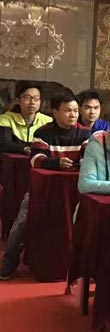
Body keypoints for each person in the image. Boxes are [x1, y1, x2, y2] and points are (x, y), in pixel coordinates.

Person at [1, 92, 91, 279]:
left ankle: (84, 268)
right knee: (22, 221)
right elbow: (35, 159)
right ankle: (9, 262)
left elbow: (88, 158)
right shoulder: (43, 132)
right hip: (44, 189)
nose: (73, 115)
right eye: (68, 111)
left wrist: (78, 163)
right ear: (55, 112)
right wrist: (56, 163)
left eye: (76, 111)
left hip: (76, 190)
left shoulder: (84, 133)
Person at [0, 81, 51, 155]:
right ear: (18, 100)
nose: (32, 102)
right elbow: (3, 143)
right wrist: (24, 149)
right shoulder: (5, 119)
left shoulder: (48, 121)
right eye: (27, 98)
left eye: (36, 98)